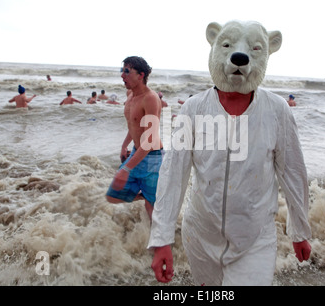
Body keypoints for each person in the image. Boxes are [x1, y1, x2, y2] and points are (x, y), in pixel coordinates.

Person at [148, 20, 311, 286]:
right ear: (214, 47)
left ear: (267, 52)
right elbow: (172, 174)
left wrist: (300, 230)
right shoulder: (193, 108)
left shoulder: (277, 110)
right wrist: (162, 239)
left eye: (256, 48)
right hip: (201, 236)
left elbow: (292, 171)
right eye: (226, 45)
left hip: (254, 239)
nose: (239, 54)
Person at [105, 56, 164, 220]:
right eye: (121, 70)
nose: (122, 75)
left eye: (126, 71)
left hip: (152, 157)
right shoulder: (130, 95)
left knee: (152, 209)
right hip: (137, 152)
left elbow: (150, 139)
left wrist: (126, 168)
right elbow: (134, 124)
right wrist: (124, 146)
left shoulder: (150, 98)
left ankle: (159, 241)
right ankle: (145, 194)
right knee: (113, 195)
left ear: (141, 75)